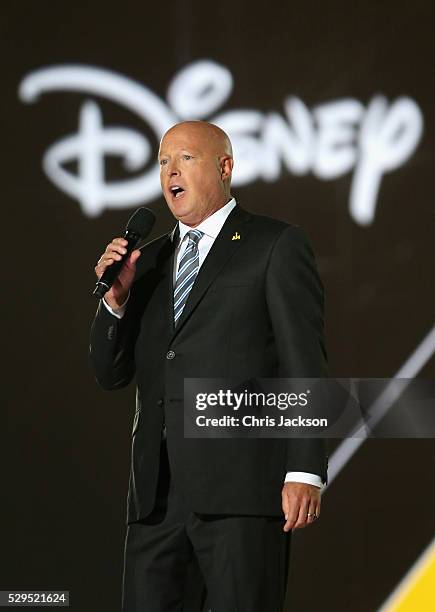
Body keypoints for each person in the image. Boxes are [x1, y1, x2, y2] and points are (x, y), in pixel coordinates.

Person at [90, 121, 328, 611]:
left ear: (225, 167)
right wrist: (115, 301)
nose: (170, 171)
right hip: (156, 498)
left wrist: (305, 468)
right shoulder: (147, 263)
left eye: (185, 158)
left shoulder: (274, 245)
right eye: (162, 162)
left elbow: (303, 362)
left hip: (241, 492)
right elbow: (109, 373)